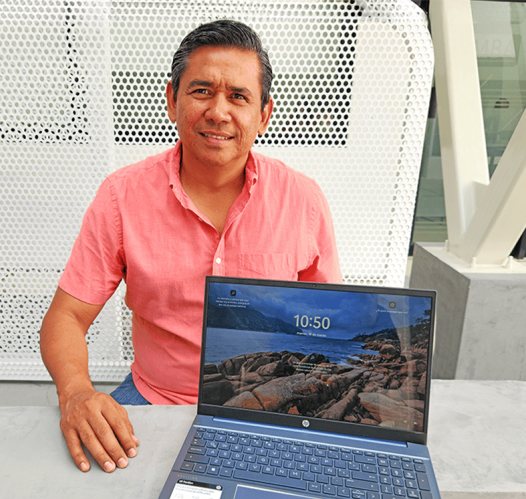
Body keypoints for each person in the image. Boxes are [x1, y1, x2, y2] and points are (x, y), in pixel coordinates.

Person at [39, 20, 342, 474]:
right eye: (202, 91)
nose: (219, 111)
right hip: (150, 401)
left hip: (269, 408)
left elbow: (328, 321)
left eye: (239, 96)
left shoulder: (304, 201)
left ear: (263, 115)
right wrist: (77, 392)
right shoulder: (123, 196)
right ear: (172, 101)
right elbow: (66, 316)